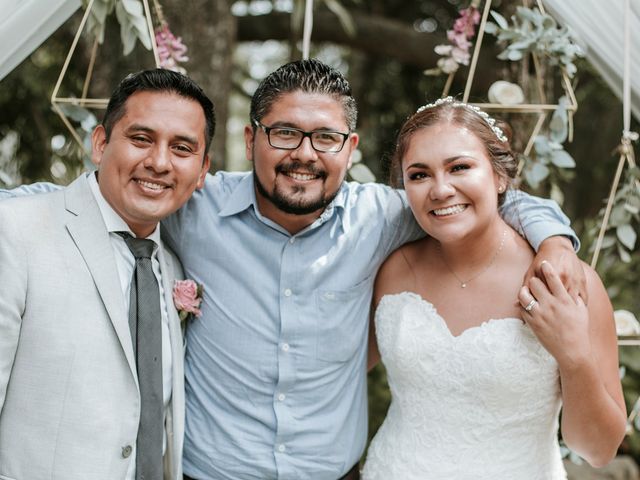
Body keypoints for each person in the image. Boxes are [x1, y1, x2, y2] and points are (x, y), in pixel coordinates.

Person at [3, 60, 583, 480]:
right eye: (284, 132)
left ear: (350, 148)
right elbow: (81, 197)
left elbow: (479, 199)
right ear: (251, 138)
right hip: (209, 474)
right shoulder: (192, 202)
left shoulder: (383, 216)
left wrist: (554, 238)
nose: (304, 153)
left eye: (326, 137)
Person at [361, 97, 626, 479]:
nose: (440, 189)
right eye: (419, 175)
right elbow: (338, 371)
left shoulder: (563, 282)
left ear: (500, 176)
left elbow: (598, 451)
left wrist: (574, 357)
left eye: (460, 167)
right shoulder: (391, 271)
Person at [0, 68, 214, 480]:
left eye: (182, 148)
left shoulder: (172, 264)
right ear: (100, 144)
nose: (158, 162)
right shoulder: (16, 233)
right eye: (141, 139)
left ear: (203, 170)